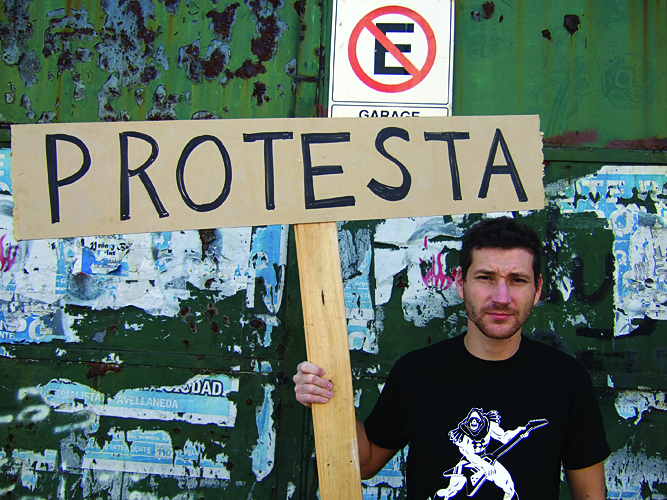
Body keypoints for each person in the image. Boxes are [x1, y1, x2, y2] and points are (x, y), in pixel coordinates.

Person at [294, 216, 609, 500]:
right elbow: (365, 463)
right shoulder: (416, 373)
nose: (501, 298)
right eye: (485, 277)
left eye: (517, 280)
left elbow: (590, 495)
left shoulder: (567, 380)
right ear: (460, 283)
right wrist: (326, 396)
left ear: (537, 289)